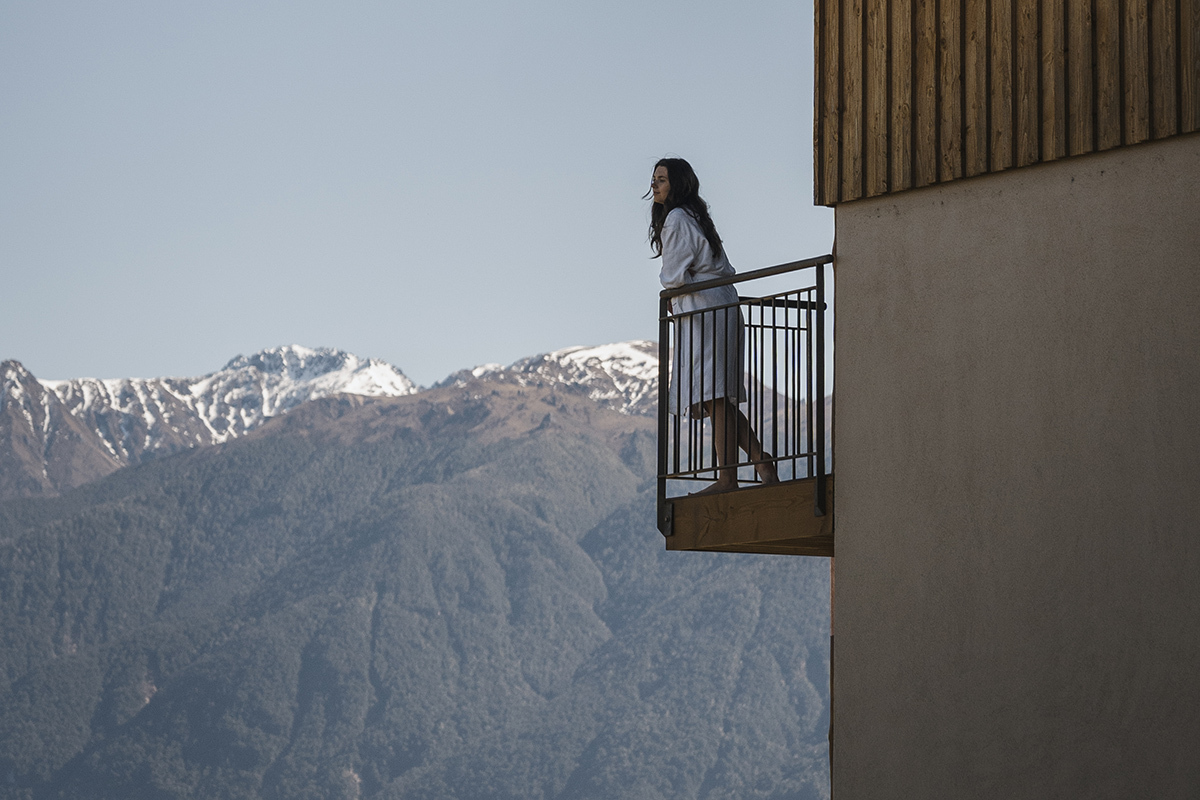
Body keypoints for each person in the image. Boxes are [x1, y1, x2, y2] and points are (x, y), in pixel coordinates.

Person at [647, 157, 779, 493]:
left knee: (714, 395)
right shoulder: (696, 215)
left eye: (661, 179)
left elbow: (673, 275)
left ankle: (727, 478)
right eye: (654, 179)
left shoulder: (676, 218)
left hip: (703, 309)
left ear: (676, 184)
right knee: (716, 396)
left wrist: (670, 294)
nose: (654, 184)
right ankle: (760, 459)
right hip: (723, 303)